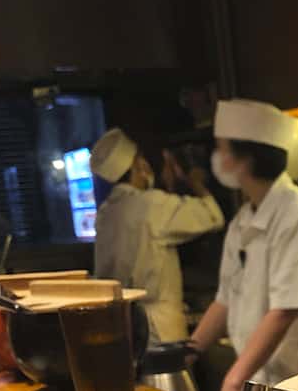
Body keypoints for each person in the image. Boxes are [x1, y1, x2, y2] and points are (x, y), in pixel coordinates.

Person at [188, 100, 298, 391]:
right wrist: (186, 354)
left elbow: (286, 308)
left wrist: (234, 381)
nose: (216, 159)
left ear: (245, 158)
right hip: (262, 381)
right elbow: (225, 300)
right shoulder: (243, 220)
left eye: (221, 149)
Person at [90, 128, 224, 343]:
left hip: (122, 323)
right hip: (159, 327)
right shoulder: (150, 204)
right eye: (140, 159)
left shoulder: (106, 212)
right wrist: (195, 182)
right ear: (136, 166)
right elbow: (212, 215)